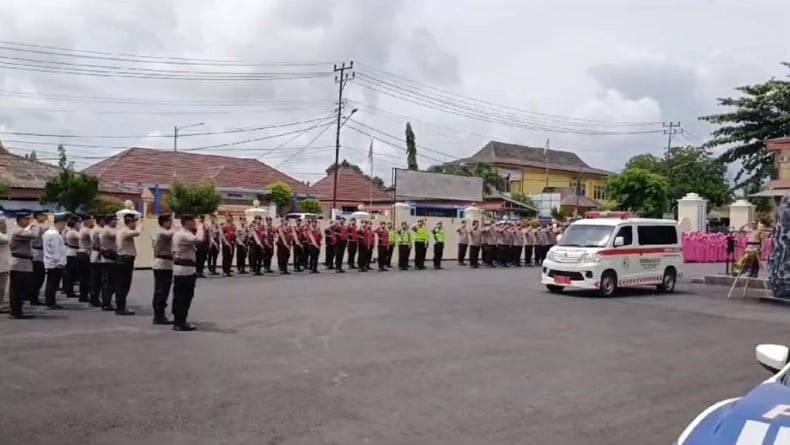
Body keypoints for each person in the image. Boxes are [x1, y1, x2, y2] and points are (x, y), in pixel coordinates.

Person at [172, 214, 203, 331]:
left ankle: (178, 321)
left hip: (184, 269)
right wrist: (200, 228)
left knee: (180, 296)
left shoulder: (180, 233)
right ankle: (180, 322)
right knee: (184, 297)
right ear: (187, 223)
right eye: (193, 222)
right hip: (185, 270)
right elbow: (198, 240)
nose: (195, 223)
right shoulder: (184, 234)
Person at [8, 212, 37, 319]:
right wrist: (34, 226)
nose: (29, 221)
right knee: (17, 288)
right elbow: (34, 235)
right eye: (26, 219)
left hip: (22, 262)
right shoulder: (17, 231)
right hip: (19, 262)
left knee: (19, 288)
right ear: (20, 220)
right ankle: (16, 311)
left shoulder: (18, 230)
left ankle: (17, 310)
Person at [115, 213, 140, 315]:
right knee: (123, 285)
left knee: (123, 285)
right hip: (124, 260)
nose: (135, 224)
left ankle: (121, 306)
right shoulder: (124, 231)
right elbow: (138, 232)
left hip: (125, 259)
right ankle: (120, 307)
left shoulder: (123, 230)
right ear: (129, 222)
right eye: (134, 222)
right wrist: (140, 225)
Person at [152, 213, 174, 324]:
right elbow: (172, 234)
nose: (172, 223)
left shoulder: (163, 232)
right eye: (170, 221)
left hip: (165, 263)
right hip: (162, 264)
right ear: (164, 222)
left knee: (163, 290)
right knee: (161, 290)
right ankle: (158, 315)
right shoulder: (161, 232)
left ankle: (160, 314)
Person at [43, 213, 68, 310]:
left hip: (50, 262)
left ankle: (49, 301)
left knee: (51, 283)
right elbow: (56, 250)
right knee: (53, 284)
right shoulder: (54, 235)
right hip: (55, 263)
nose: (64, 226)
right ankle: (50, 302)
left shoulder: (48, 233)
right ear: (60, 223)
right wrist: (60, 263)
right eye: (64, 224)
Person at [100, 214, 119, 311]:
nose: (116, 222)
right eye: (114, 220)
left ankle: (107, 301)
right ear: (110, 221)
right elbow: (117, 235)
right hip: (108, 258)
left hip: (111, 257)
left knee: (111, 282)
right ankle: (106, 302)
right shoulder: (107, 230)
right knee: (108, 282)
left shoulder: (109, 229)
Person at [29, 212, 48, 306]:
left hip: (42, 253)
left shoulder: (43, 226)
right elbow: (35, 237)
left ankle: (35, 296)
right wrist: (43, 229)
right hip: (36, 253)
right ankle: (33, 297)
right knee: (37, 277)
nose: (45, 216)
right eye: (43, 215)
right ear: (38, 216)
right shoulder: (34, 226)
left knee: (40, 277)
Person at [76, 214, 94, 302]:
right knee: (86, 277)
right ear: (87, 221)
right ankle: (83, 295)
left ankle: (83, 295)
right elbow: (95, 237)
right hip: (84, 254)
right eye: (91, 220)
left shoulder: (82, 229)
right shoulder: (86, 230)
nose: (92, 221)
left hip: (82, 253)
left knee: (84, 277)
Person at [89, 215, 105, 306]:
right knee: (96, 280)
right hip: (97, 256)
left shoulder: (95, 229)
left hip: (95, 254)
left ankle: (94, 298)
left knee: (95, 280)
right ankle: (94, 298)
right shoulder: (98, 230)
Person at [63, 217, 80, 299]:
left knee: (71, 274)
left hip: (72, 252)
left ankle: (69, 289)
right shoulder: (73, 232)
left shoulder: (70, 231)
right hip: (72, 253)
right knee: (71, 274)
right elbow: (81, 237)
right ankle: (69, 290)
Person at [0, 214, 9, 313]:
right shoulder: (2, 235)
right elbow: (6, 239)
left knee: (2, 288)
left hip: (3, 264)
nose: (4, 225)